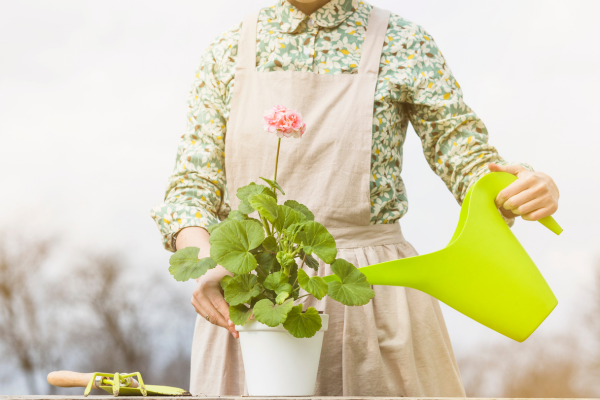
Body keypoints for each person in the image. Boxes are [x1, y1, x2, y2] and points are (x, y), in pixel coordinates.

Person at [150, 0, 560, 396]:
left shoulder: (404, 42)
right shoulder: (227, 52)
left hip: (373, 297)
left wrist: (521, 188)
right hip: (255, 303)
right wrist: (206, 257)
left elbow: (464, 156)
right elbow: (191, 184)